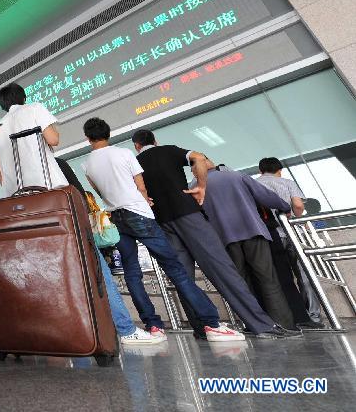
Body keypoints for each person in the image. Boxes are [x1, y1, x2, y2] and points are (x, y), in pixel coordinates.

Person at [0, 85, 160, 346]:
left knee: (41, 270)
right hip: (53, 198)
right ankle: (125, 330)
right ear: (23, 97)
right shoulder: (34, 109)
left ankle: (56, 333)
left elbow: (1, 171)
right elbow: (53, 139)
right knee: (92, 263)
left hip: (20, 205)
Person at [82, 118, 243, 343]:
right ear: (108, 134)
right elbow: (140, 185)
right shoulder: (124, 154)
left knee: (132, 273)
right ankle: (211, 323)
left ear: (87, 138)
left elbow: (99, 190)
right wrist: (144, 199)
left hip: (116, 216)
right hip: (138, 212)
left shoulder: (87, 164)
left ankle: (153, 326)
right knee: (175, 268)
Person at [131, 129, 297, 339]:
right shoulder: (169, 150)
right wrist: (201, 185)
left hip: (163, 224)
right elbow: (199, 158)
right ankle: (261, 325)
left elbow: (136, 192)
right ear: (154, 141)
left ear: (136, 146)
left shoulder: (134, 164)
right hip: (189, 215)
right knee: (222, 269)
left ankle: (202, 329)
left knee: (184, 279)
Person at [195, 162, 299, 331]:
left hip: (225, 240)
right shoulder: (235, 175)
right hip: (253, 232)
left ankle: (256, 325)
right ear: (210, 162)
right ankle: (284, 325)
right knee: (268, 280)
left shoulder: (195, 187)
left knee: (242, 285)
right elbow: (266, 196)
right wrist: (285, 207)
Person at [256, 157, 324, 328]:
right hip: (289, 233)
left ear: (260, 171)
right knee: (303, 274)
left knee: (280, 277)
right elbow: (298, 206)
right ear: (279, 169)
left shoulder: (254, 183)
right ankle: (313, 317)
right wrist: (294, 216)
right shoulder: (287, 182)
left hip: (269, 235)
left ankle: (291, 316)